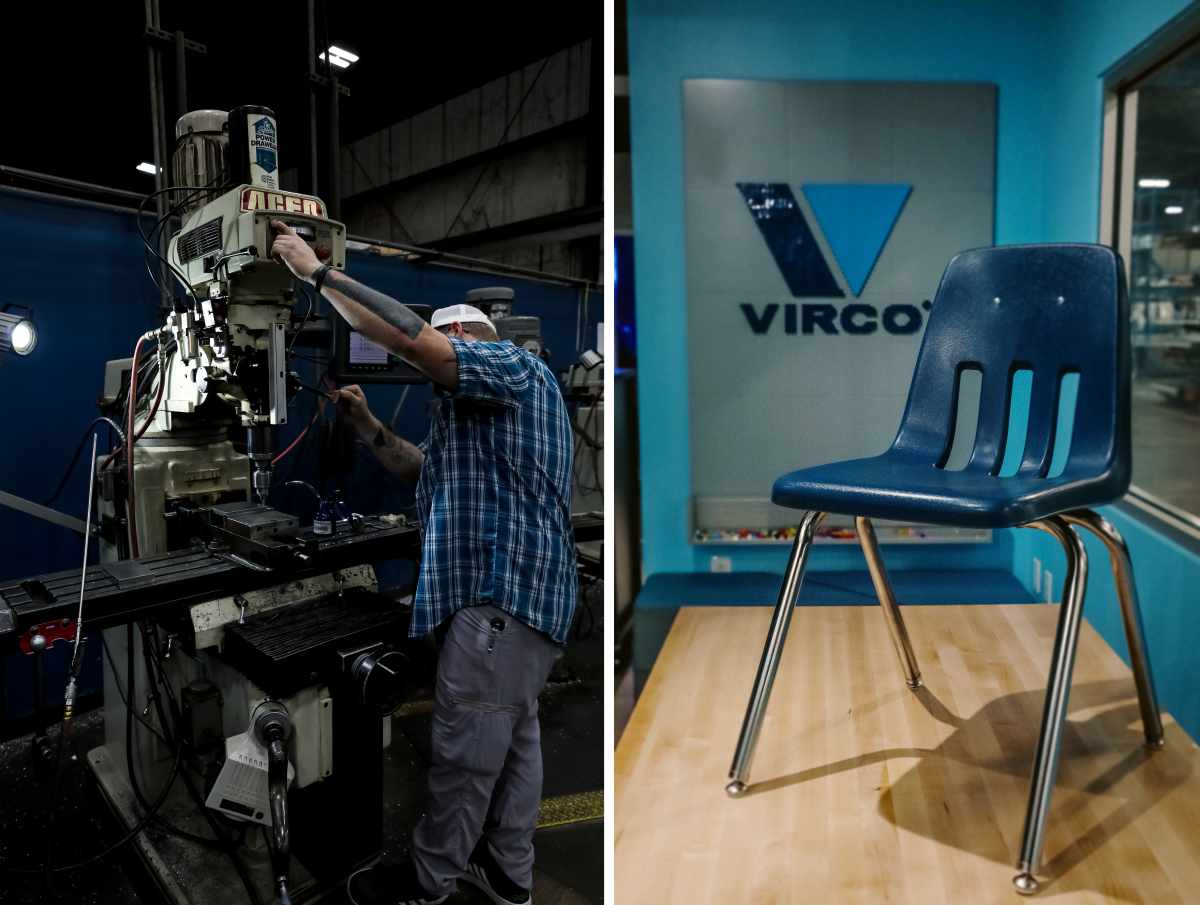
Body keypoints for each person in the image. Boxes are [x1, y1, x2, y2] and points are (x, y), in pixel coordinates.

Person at [269, 221, 578, 905]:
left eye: (440, 353)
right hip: (526, 611)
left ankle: (430, 877)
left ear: (464, 337)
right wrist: (365, 424)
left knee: (467, 751)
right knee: (514, 741)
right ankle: (508, 870)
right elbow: (421, 470)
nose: (425, 371)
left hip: (499, 601)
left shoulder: (512, 367)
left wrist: (314, 272)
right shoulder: (477, 414)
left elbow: (412, 339)